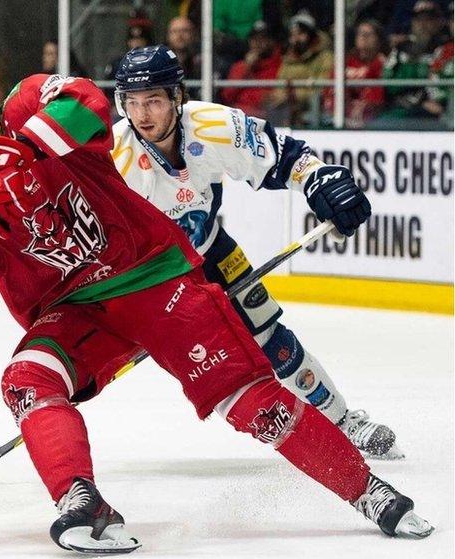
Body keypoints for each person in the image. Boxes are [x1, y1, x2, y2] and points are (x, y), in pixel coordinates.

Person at [0, 48, 433, 553]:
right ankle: (83, 504)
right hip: (74, 311)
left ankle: (367, 490)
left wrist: (21, 150)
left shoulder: (30, 103)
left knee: (247, 398)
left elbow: (85, 102)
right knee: (27, 379)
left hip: (151, 276)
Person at [110, 45, 404, 460]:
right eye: (133, 103)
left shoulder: (213, 126)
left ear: (178, 98)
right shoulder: (115, 162)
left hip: (211, 248)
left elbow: (287, 158)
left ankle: (342, 421)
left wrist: (320, 180)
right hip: (154, 276)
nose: (143, 115)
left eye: (154, 100)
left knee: (272, 338)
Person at [267, 11, 334, 126]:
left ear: (312, 35)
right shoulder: (288, 59)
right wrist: (279, 95)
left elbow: (322, 88)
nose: (296, 39)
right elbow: (280, 84)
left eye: (301, 33)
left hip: (316, 109)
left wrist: (291, 96)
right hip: (288, 108)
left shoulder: (325, 57)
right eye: (293, 35)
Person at [220, 20, 281, 118]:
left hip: (270, 119)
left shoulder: (280, 65)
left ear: (271, 41)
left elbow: (275, 98)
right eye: (254, 39)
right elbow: (227, 96)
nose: (258, 43)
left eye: (263, 39)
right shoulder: (240, 66)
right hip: (241, 118)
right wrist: (246, 67)